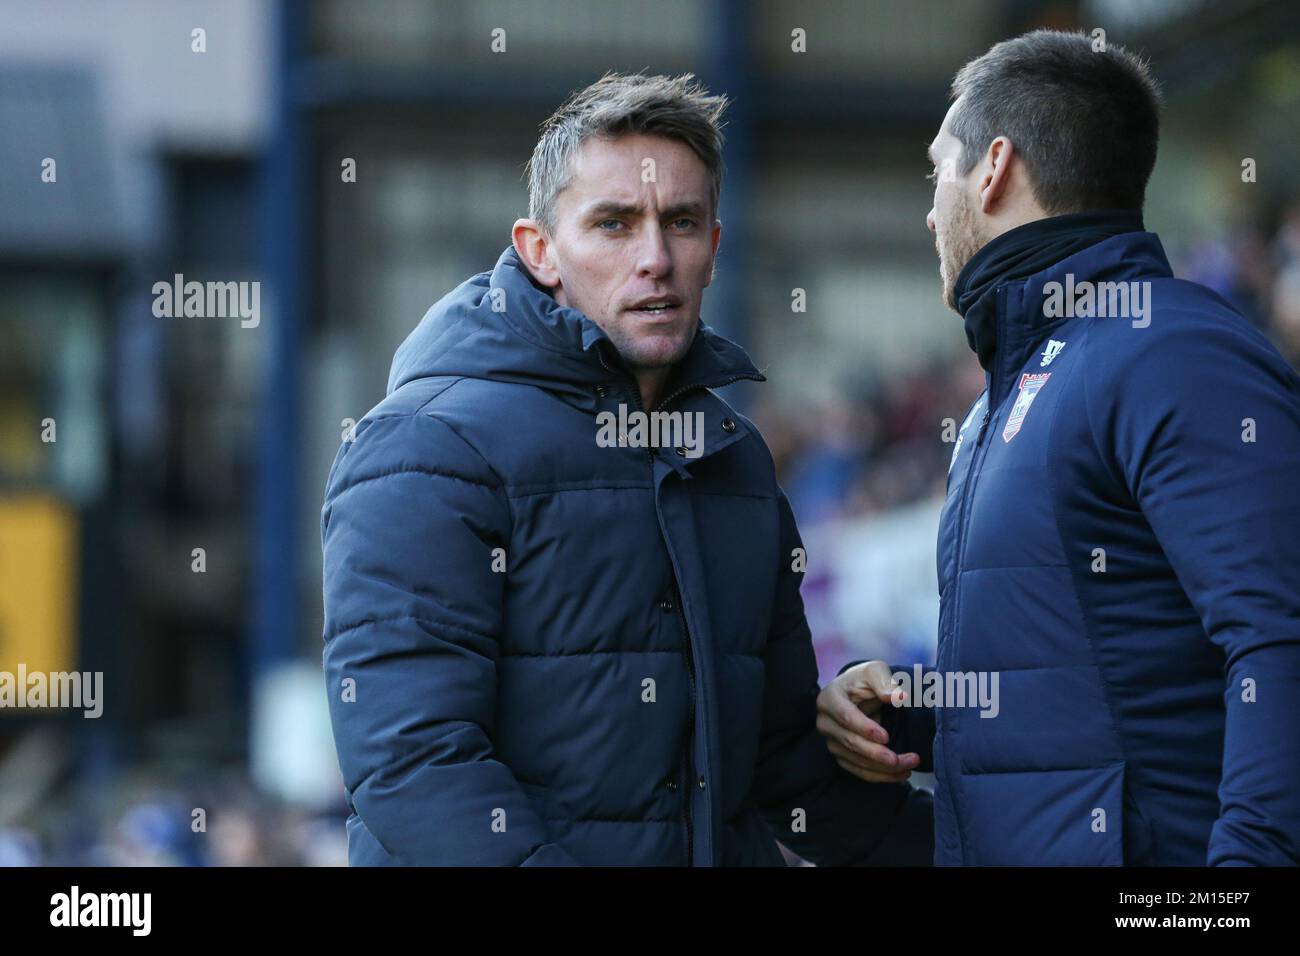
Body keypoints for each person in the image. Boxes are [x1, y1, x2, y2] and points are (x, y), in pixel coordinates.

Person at [320, 72, 932, 865]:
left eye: (681, 222)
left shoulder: (731, 459)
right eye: (613, 224)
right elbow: (414, 767)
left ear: (713, 248)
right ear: (539, 252)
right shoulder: (424, 449)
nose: (655, 258)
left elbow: (777, 761)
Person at [818, 30, 1300, 866]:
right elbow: (1077, 692)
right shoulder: (1021, 388)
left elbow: (1279, 640)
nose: (932, 209)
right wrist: (902, 712)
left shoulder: (1173, 354)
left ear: (995, 167)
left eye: (940, 170)